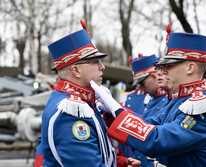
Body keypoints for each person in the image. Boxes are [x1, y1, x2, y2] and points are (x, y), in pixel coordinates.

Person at [90, 32, 206, 167]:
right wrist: (112, 114)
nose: (163, 71)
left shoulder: (200, 107)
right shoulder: (180, 100)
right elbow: (148, 124)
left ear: (190, 67)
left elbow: (157, 140)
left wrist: (116, 108)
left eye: (169, 66)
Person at [37, 20, 140, 167]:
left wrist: (121, 163)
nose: (102, 67)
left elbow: (96, 151)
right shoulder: (71, 111)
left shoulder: (84, 103)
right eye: (95, 61)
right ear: (76, 70)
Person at [120, 54, 169, 167]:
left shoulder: (168, 101)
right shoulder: (152, 100)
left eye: (142, 82)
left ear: (155, 76)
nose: (141, 88)